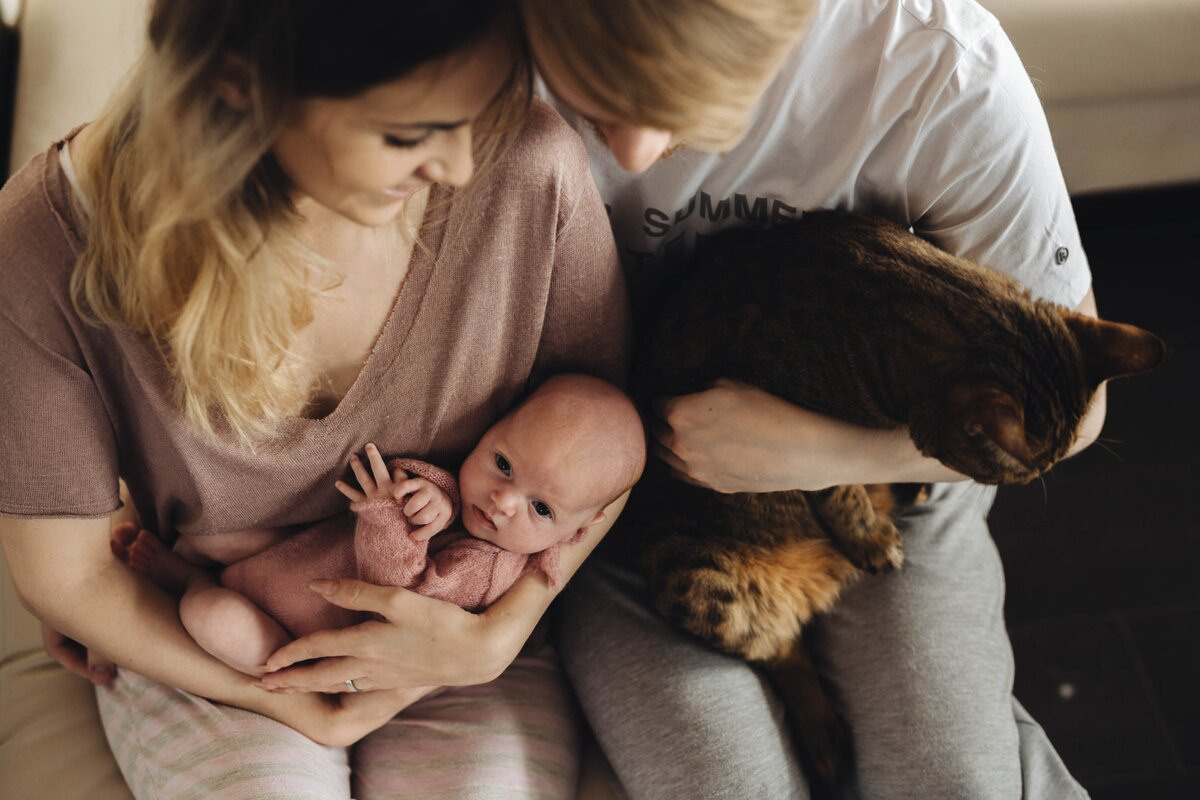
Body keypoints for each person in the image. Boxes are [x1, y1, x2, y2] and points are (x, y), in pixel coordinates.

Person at [0, 0, 632, 797]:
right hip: (213, 635)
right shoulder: (38, 254)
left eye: (476, 110)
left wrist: (497, 636)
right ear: (243, 91)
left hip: (454, 619)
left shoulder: (528, 165)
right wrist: (298, 706)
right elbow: (69, 578)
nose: (460, 167)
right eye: (407, 135)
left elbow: (609, 450)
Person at [517, 0, 1101, 798]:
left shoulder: (938, 66)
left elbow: (1079, 414)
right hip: (629, 513)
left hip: (899, 489)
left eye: (683, 100)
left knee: (950, 779)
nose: (632, 152)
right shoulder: (484, 54)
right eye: (592, 99)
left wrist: (824, 452)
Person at [117, 374, 645, 679]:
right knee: (216, 528)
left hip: (306, 628)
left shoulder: (490, 571)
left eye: (542, 510)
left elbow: (402, 595)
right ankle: (190, 558)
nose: (504, 500)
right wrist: (430, 491)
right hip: (295, 554)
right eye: (503, 464)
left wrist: (387, 516)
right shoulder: (478, 503)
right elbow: (436, 486)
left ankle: (189, 582)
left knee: (208, 616)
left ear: (579, 530)